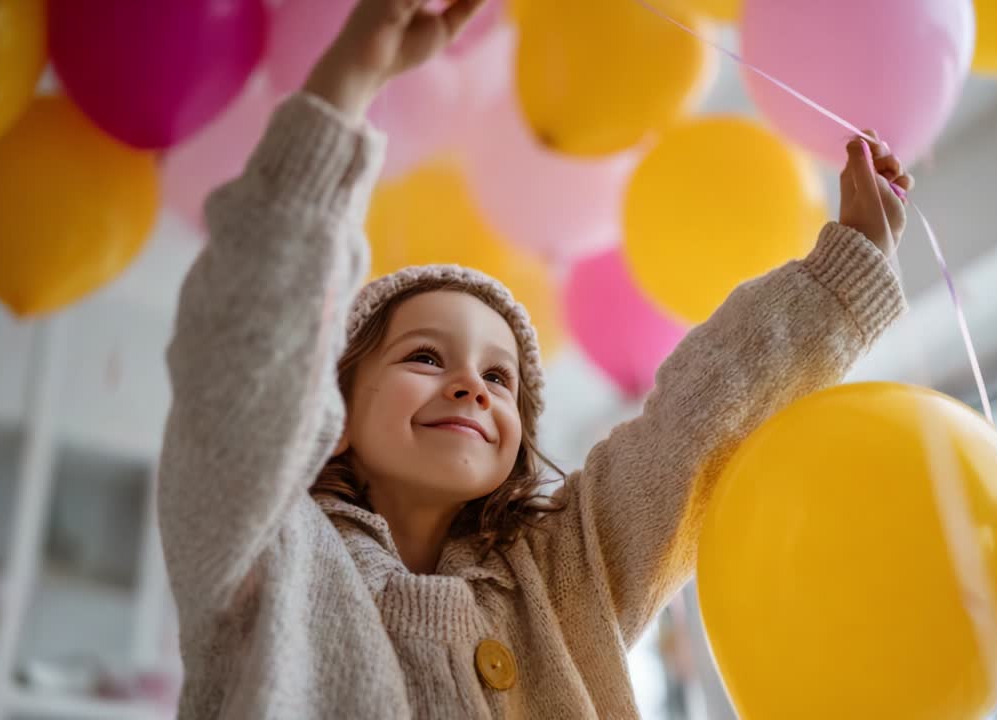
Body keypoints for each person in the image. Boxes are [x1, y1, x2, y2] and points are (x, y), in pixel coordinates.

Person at [157, 0, 914, 717]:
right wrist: (349, 79)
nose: (472, 387)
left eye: (500, 378)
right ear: (334, 416)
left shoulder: (563, 576)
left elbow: (696, 424)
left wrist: (840, 276)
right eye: (425, 356)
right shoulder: (262, 541)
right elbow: (248, 350)